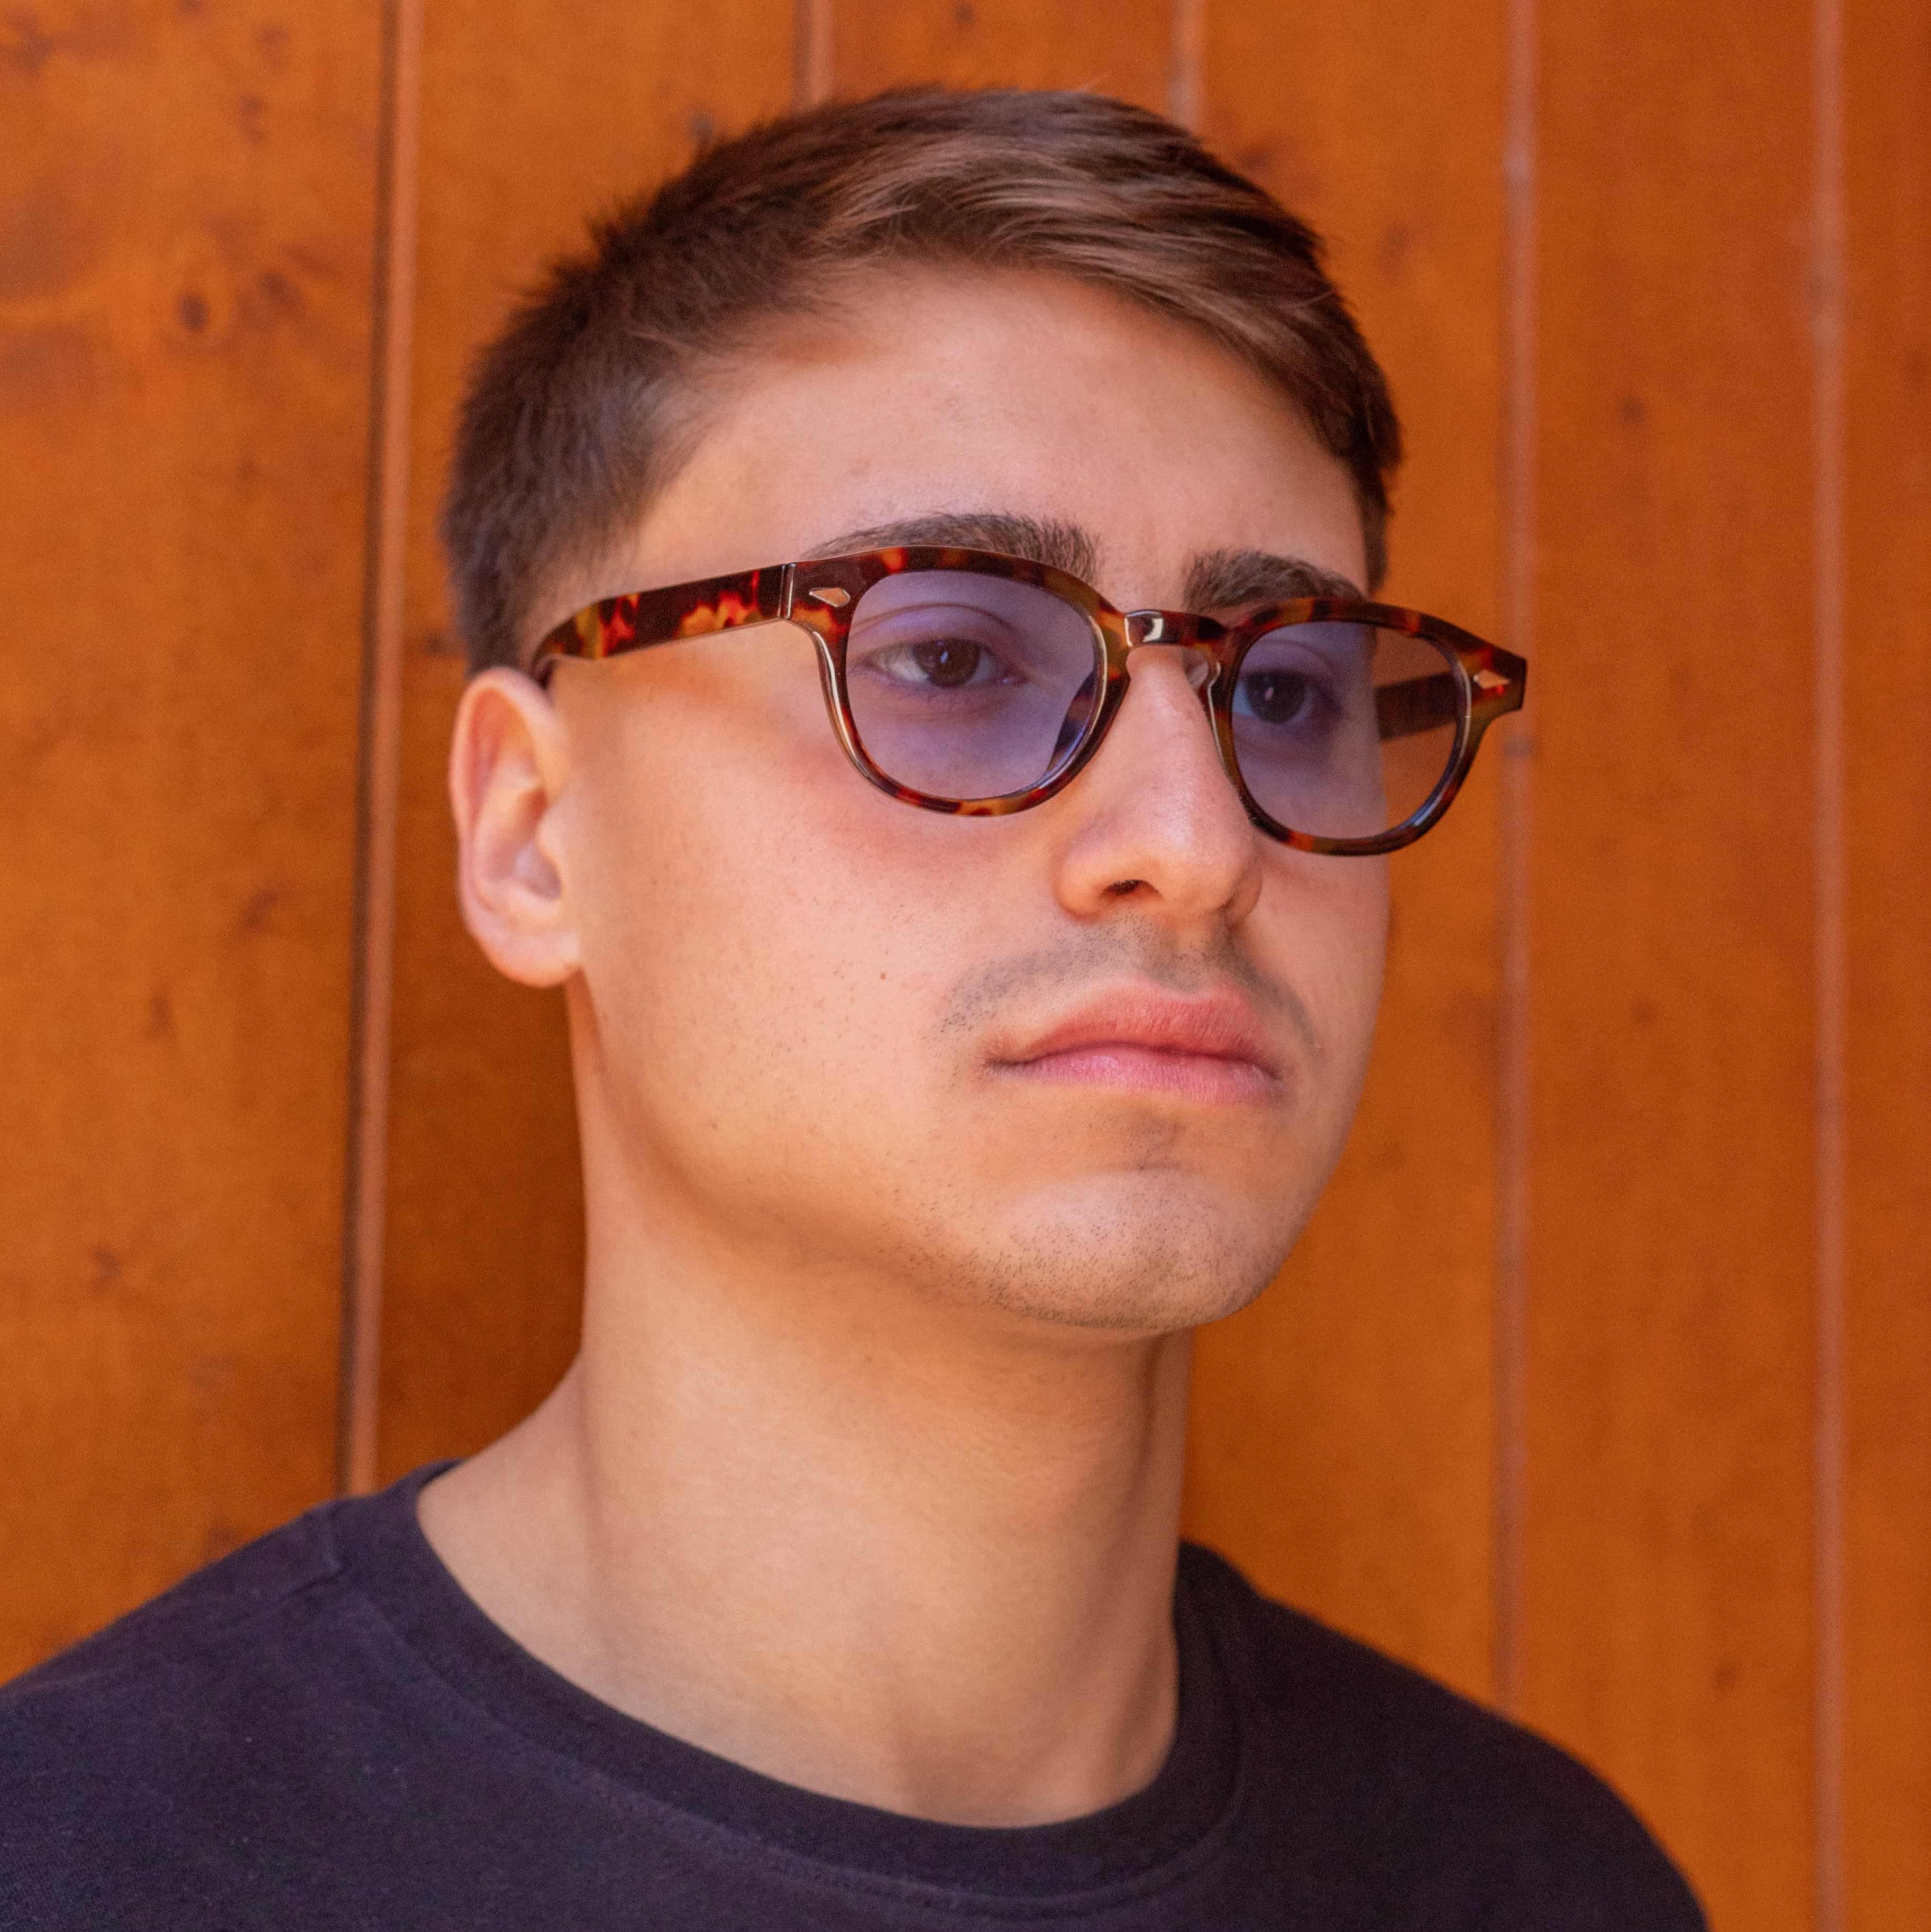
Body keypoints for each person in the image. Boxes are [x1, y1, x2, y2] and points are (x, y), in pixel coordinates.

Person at [0, 87, 1703, 1929]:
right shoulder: (94, 1865)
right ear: (534, 836)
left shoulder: (1540, 1883)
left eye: (1281, 691)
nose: (1194, 843)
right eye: (951, 655)